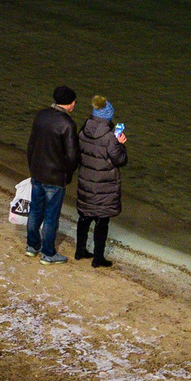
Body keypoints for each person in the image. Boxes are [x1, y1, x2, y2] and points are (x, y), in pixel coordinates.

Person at [25, 87, 82, 263]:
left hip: (38, 172)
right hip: (55, 177)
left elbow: (31, 145)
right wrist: (68, 174)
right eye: (74, 101)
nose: (74, 104)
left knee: (35, 211)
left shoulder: (41, 116)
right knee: (51, 216)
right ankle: (48, 253)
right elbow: (72, 156)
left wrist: (32, 166)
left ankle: (32, 246)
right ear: (70, 103)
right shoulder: (67, 124)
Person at [73, 95, 129, 267]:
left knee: (84, 217)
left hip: (86, 181)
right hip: (105, 185)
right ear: (107, 117)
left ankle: (80, 250)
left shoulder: (83, 131)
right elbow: (120, 160)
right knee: (102, 220)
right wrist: (121, 144)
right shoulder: (111, 137)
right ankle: (98, 258)